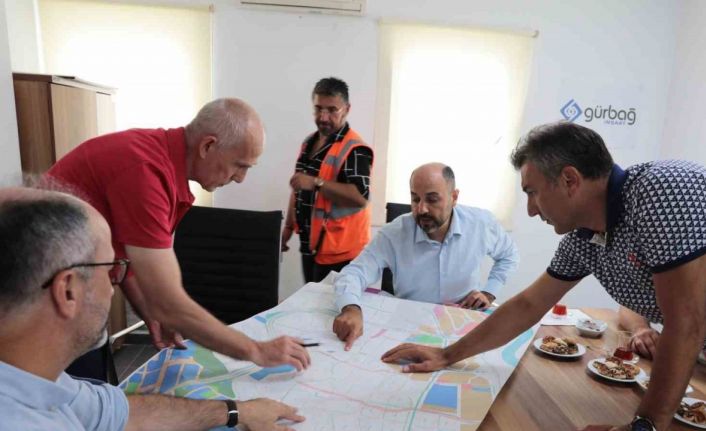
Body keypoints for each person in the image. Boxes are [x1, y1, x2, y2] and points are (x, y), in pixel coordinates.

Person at [381, 122, 706, 431]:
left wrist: (644, 425)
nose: (531, 210)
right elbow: (528, 305)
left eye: (532, 192)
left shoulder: (662, 189)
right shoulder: (583, 239)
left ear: (569, 180)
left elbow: (688, 320)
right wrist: (446, 354)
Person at [46, 98, 310, 380]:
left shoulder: (159, 161)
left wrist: (152, 314)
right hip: (46, 304)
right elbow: (168, 302)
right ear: (207, 146)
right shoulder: (146, 172)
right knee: (73, 399)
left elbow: (128, 254)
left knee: (91, 389)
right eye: (239, 165)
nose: (240, 178)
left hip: (73, 295)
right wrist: (256, 350)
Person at [0, 187, 305, 431]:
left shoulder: (38, 379)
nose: (113, 286)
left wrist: (238, 411)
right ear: (68, 290)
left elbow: (121, 414)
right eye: (109, 269)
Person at [333, 163, 519, 349]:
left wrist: (489, 292)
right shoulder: (394, 233)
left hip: (461, 322)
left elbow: (509, 256)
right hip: (407, 326)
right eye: (415, 199)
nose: (421, 209)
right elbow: (354, 273)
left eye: (432, 200)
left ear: (454, 197)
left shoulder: (481, 224)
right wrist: (351, 308)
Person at [281, 77, 374, 283]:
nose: (323, 117)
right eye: (318, 109)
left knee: (330, 303)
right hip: (311, 246)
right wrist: (288, 228)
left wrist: (316, 183)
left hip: (341, 253)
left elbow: (360, 198)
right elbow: (299, 186)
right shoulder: (309, 142)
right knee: (312, 300)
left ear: (346, 109)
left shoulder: (355, 149)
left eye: (332, 110)